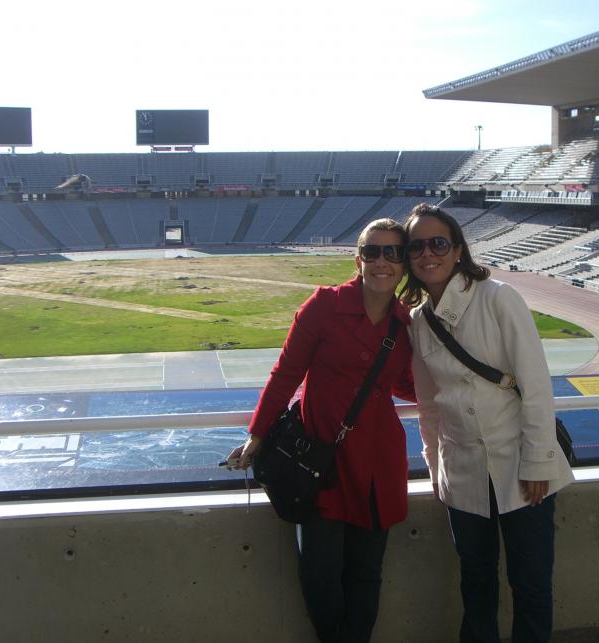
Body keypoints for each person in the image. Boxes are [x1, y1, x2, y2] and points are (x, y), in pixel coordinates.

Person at [228, 218, 415, 643]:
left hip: (378, 466)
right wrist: (258, 435)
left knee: (366, 573)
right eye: (372, 252)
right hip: (321, 463)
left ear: (404, 264)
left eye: (393, 253)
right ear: (358, 260)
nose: (382, 261)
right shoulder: (324, 306)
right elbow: (285, 374)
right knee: (319, 575)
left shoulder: (406, 325)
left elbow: (407, 383)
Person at [401, 203, 575, 643]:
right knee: (475, 582)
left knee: (531, 581)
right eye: (416, 246)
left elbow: (536, 386)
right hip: (462, 470)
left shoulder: (498, 297)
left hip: (520, 465)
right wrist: (436, 467)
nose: (427, 254)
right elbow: (429, 404)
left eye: (438, 243)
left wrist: (538, 461)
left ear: (458, 249)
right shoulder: (418, 321)